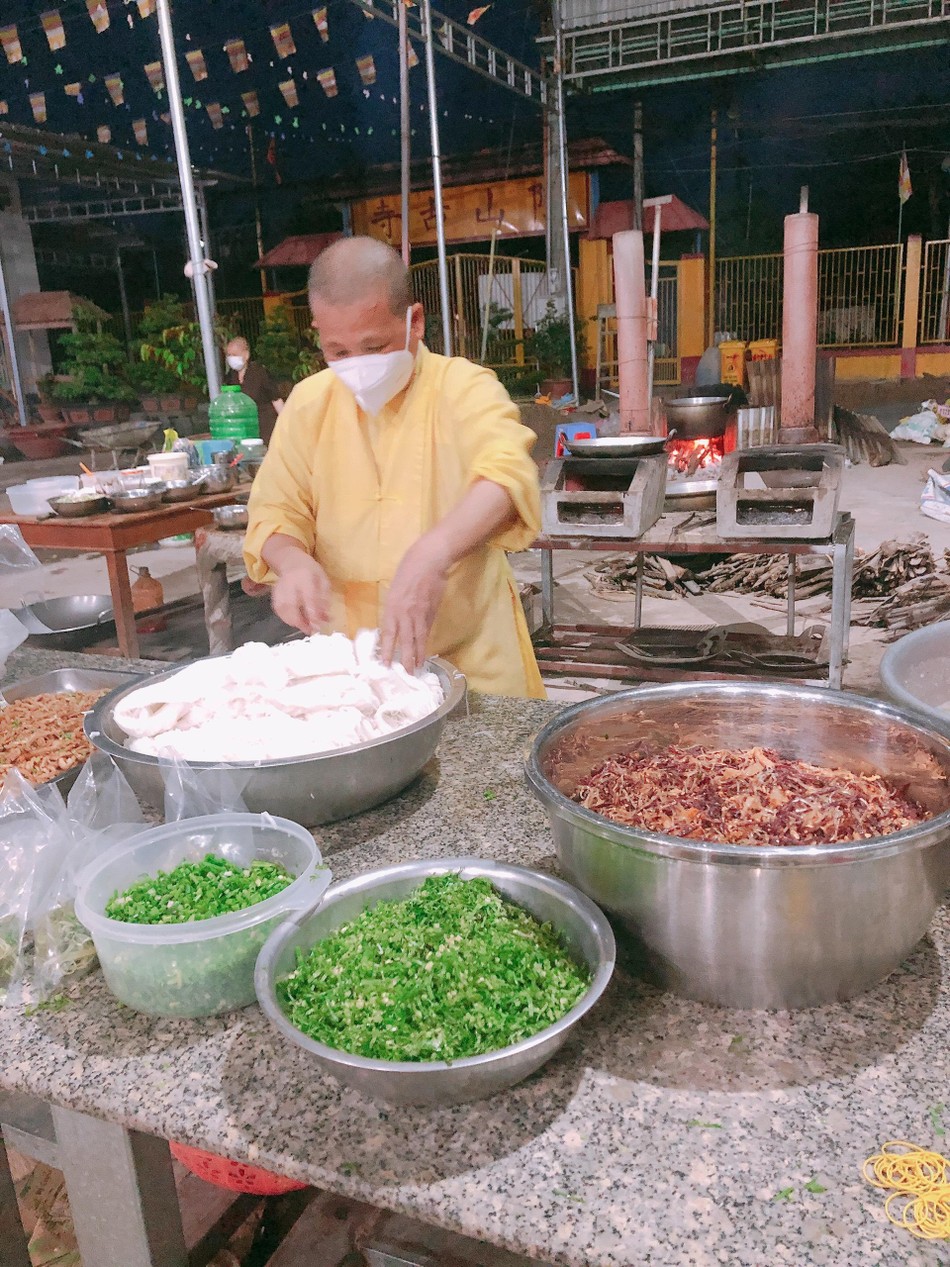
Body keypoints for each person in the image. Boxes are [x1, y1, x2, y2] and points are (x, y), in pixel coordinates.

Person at [243, 235, 544, 699]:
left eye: (374, 345)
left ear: (415, 321)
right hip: (353, 676)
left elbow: (507, 476)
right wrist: (292, 561)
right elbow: (277, 509)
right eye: (338, 352)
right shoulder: (308, 405)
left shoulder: (464, 388)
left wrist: (434, 554)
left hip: (474, 663)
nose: (357, 365)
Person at [223, 336, 284, 445]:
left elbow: (276, 398)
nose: (231, 358)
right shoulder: (230, 377)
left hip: (265, 426)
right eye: (229, 355)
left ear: (246, 355)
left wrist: (286, 422)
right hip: (244, 429)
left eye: (235, 355)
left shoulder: (259, 373)